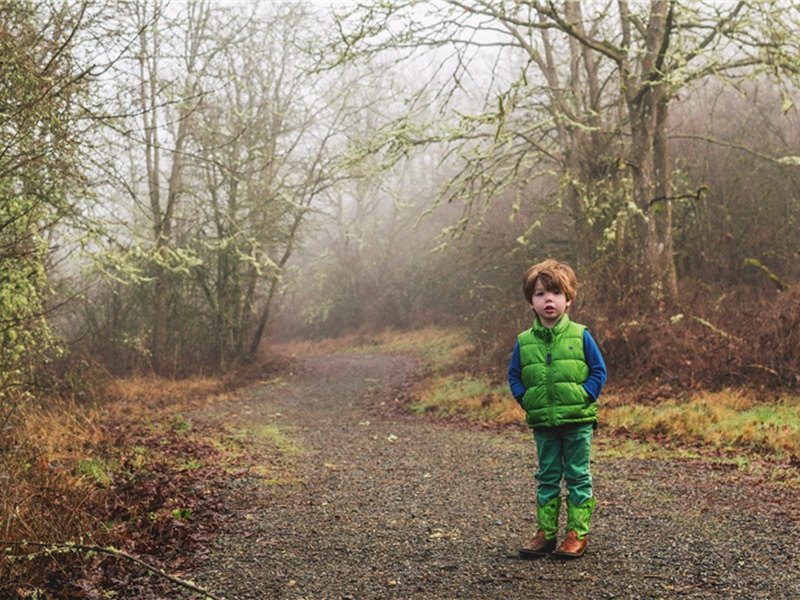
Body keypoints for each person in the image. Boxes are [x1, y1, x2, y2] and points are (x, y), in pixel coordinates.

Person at [507, 259, 607, 559]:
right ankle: (545, 534)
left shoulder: (580, 335)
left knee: (577, 476)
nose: (548, 299)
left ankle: (577, 534)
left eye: (555, 293)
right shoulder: (524, 342)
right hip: (544, 423)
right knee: (547, 476)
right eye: (540, 294)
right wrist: (526, 399)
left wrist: (584, 396)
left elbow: (598, 371)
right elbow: (514, 375)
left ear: (569, 299)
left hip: (577, 422)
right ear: (531, 302)